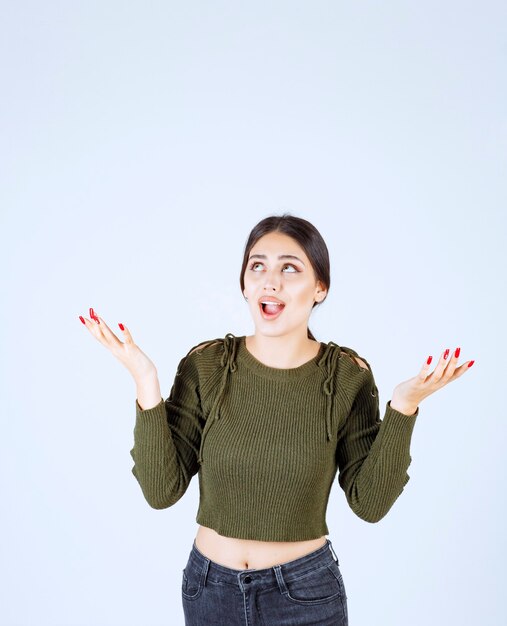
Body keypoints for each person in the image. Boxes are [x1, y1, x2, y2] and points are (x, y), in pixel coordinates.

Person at [79, 213, 474, 626]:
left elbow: (370, 504)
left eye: (290, 267)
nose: (271, 281)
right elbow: (161, 491)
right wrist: (146, 380)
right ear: (245, 285)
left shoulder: (347, 376)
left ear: (320, 287)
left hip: (305, 596)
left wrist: (404, 406)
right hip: (209, 593)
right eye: (258, 266)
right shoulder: (206, 366)